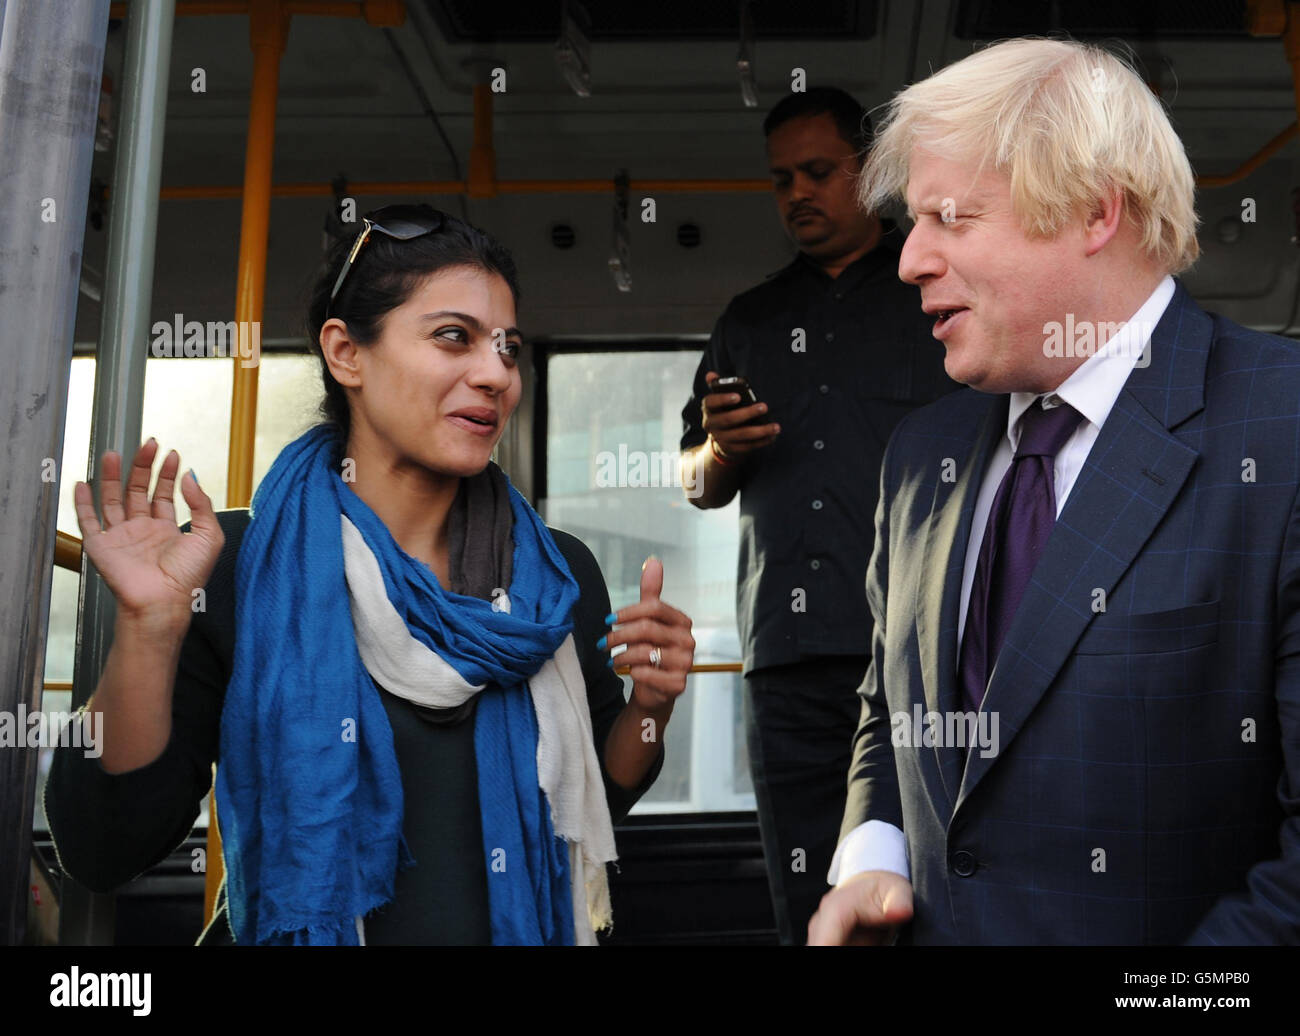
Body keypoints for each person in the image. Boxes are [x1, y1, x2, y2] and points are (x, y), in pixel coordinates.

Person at [46, 205, 696, 946]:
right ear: (346, 353)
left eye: (508, 348)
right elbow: (103, 850)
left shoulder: (552, 573)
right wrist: (150, 630)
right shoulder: (234, 566)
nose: (495, 374)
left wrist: (652, 704)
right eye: (454, 337)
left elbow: (597, 802)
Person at [808, 38, 1300, 945]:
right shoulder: (921, 455)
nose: (910, 258)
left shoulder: (1282, 429)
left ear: (1094, 211)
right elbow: (891, 709)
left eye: (948, 218)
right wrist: (874, 858)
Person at [679, 88, 956, 944]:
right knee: (803, 892)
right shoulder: (749, 323)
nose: (797, 192)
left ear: (870, 170)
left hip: (931, 648)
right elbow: (694, 480)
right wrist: (722, 450)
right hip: (790, 661)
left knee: (942, 877)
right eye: (780, 179)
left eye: (817, 171)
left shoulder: (938, 296)